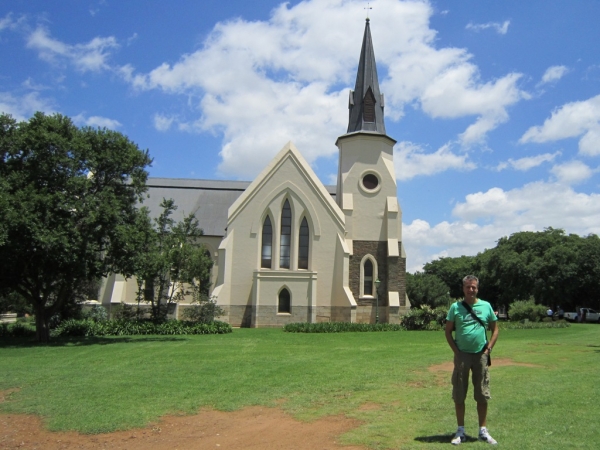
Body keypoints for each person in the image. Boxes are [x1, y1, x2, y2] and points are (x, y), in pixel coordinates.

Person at [445, 275, 499, 445]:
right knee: (459, 393)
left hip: (480, 356)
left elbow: (495, 329)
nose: (471, 290)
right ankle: (460, 431)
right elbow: (448, 332)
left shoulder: (486, 306)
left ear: (477, 289)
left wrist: (488, 348)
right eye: (468, 287)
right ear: (463, 289)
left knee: (482, 393)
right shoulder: (455, 308)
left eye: (474, 287)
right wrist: (457, 352)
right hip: (462, 356)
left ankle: (483, 430)